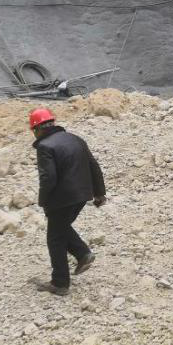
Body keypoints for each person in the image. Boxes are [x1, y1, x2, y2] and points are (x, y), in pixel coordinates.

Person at [30, 108, 106, 296]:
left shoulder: (44, 146)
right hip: (83, 194)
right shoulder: (75, 138)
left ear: (37, 129)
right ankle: (82, 254)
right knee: (60, 228)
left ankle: (60, 283)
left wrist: (43, 201)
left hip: (62, 198)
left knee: (55, 238)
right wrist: (99, 193)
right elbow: (93, 165)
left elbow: (48, 178)